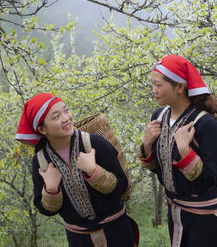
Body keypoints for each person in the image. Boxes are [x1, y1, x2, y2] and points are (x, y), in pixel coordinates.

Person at [15, 93, 139, 247]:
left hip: (118, 233)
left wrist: (94, 172)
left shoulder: (95, 143)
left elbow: (122, 186)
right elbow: (45, 209)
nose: (66, 118)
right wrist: (51, 189)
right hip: (80, 240)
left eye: (66, 111)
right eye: (56, 117)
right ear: (41, 129)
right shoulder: (41, 162)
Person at [139, 54, 217, 247]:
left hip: (205, 219)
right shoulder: (159, 116)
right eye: (152, 84)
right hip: (175, 212)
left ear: (180, 87)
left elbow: (207, 179)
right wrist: (147, 144)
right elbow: (161, 168)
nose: (154, 90)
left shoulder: (207, 125)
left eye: (158, 85)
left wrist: (185, 150)